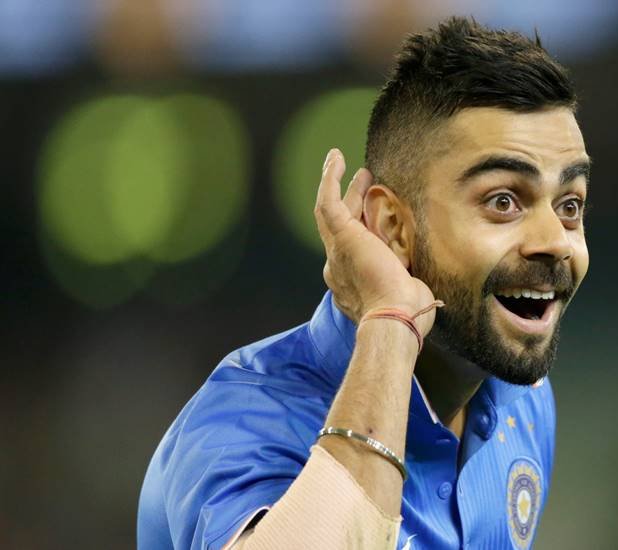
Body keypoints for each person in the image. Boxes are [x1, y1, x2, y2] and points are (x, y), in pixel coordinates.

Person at [138, 16, 590, 550]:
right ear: (394, 228)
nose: (555, 241)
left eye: (569, 205)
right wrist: (391, 322)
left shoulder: (521, 401)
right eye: (503, 201)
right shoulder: (242, 423)